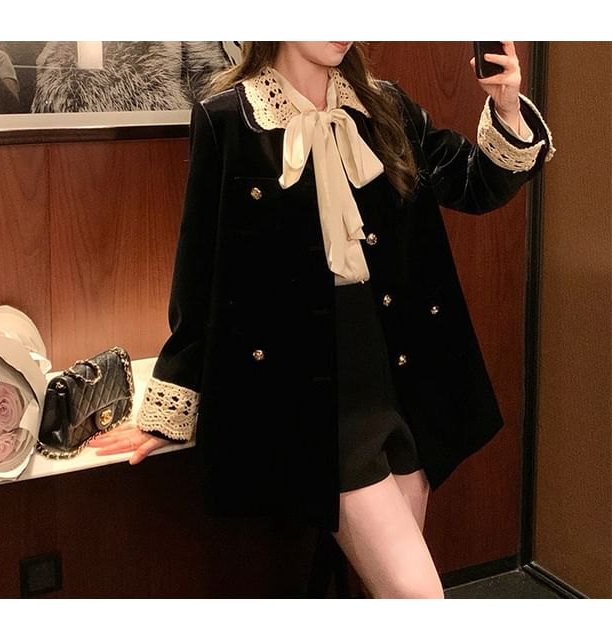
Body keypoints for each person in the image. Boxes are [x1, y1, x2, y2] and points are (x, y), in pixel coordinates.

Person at [90, 41, 554, 598]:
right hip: (315, 391)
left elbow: (474, 184)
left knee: (389, 585)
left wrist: (506, 106)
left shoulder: (385, 106)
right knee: (418, 597)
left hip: (403, 373)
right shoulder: (229, 119)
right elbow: (202, 269)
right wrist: (171, 403)